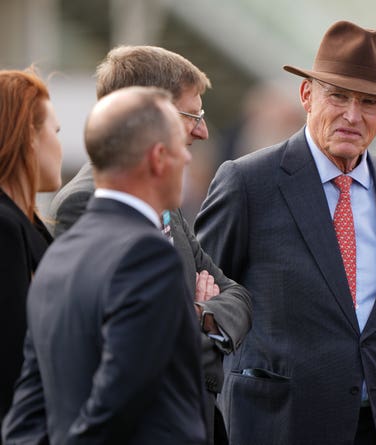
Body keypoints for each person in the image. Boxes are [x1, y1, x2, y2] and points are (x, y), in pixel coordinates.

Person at [195, 20, 376, 445]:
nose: (352, 115)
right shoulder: (247, 183)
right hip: (277, 427)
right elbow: (203, 303)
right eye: (338, 96)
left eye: (369, 101)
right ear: (307, 95)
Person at [46, 45, 251, 445]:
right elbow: (122, 342)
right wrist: (192, 312)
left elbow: (237, 295)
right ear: (146, 114)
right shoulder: (84, 204)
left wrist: (202, 314)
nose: (202, 131)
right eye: (191, 115)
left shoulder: (165, 204)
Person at [4, 86, 206, 444]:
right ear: (159, 158)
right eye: (179, 147)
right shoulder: (149, 254)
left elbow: (26, 410)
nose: (188, 159)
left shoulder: (57, 255)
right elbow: (119, 401)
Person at [0, 68, 62, 434]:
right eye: (55, 131)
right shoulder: (5, 228)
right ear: (28, 136)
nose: (59, 143)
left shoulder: (29, 224)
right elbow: (13, 358)